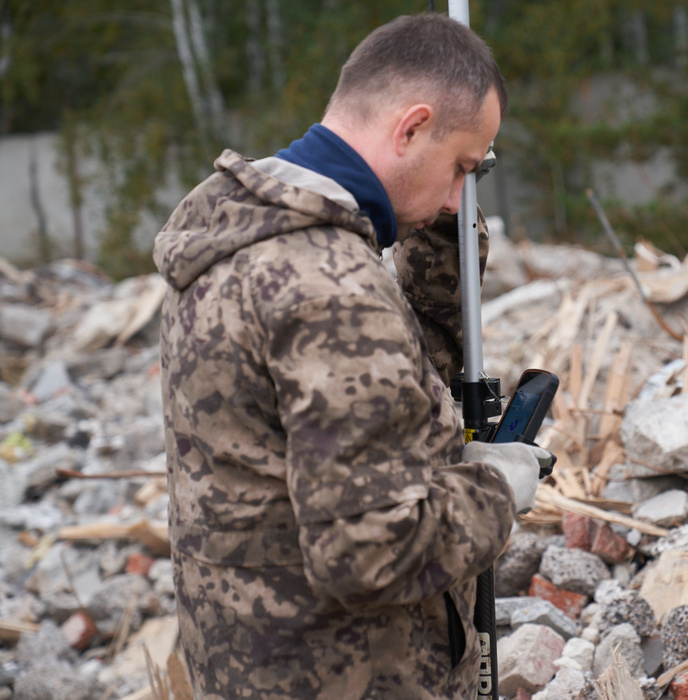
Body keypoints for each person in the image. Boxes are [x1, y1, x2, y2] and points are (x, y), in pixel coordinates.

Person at [153, 13, 551, 700]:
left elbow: (381, 391)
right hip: (351, 674)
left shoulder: (242, 240)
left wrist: (438, 243)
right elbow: (372, 551)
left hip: (254, 663)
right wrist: (495, 490)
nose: (461, 194)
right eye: (461, 167)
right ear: (411, 128)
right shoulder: (330, 287)